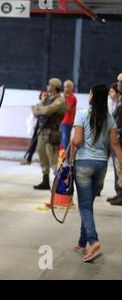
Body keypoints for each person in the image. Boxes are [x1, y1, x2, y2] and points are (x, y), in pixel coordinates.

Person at [71, 84, 122, 262]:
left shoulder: (82, 114)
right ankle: (81, 243)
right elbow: (115, 144)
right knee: (88, 205)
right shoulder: (109, 118)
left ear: (93, 96)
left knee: (84, 206)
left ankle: (93, 241)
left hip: (83, 164)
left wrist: (70, 156)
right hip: (101, 166)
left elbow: (77, 141)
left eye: (90, 92)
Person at [32, 78, 66, 190]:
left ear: (54, 86)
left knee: (53, 159)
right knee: (42, 157)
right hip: (43, 132)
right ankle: (45, 181)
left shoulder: (60, 100)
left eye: (50, 85)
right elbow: (35, 112)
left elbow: (47, 111)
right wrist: (42, 103)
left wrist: (40, 108)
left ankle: (61, 184)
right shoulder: (48, 99)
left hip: (52, 133)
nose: (47, 87)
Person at [21, 89, 48, 165]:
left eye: (46, 95)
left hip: (46, 127)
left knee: (44, 146)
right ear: (41, 96)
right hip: (37, 126)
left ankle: (45, 161)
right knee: (33, 143)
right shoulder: (39, 105)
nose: (44, 97)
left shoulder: (49, 106)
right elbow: (36, 115)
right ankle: (29, 159)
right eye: (43, 95)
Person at [108, 77, 122, 205]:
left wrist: (117, 133)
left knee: (120, 167)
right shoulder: (118, 102)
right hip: (116, 139)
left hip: (120, 139)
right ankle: (119, 193)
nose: (119, 85)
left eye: (120, 83)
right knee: (118, 168)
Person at [60, 80, 77, 151]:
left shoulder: (73, 98)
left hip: (68, 122)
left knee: (65, 141)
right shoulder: (64, 97)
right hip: (61, 121)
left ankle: (68, 159)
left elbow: (68, 109)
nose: (65, 89)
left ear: (71, 87)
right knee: (61, 141)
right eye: (64, 87)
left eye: (67, 87)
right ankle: (61, 159)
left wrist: (63, 98)